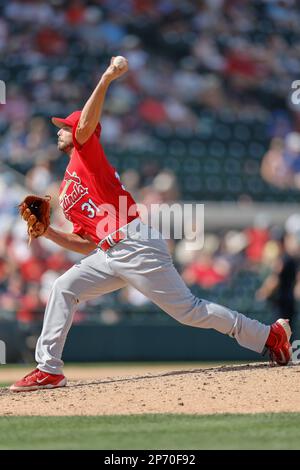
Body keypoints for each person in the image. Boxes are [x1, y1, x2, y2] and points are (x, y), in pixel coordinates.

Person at [11, 57, 292, 392]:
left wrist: (106, 77)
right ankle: (49, 368)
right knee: (63, 288)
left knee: (189, 311)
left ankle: (269, 335)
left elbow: (85, 125)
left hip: (133, 242)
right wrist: (48, 233)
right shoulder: (68, 184)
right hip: (109, 251)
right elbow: (86, 243)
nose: (59, 129)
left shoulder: (87, 155)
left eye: (64, 126)